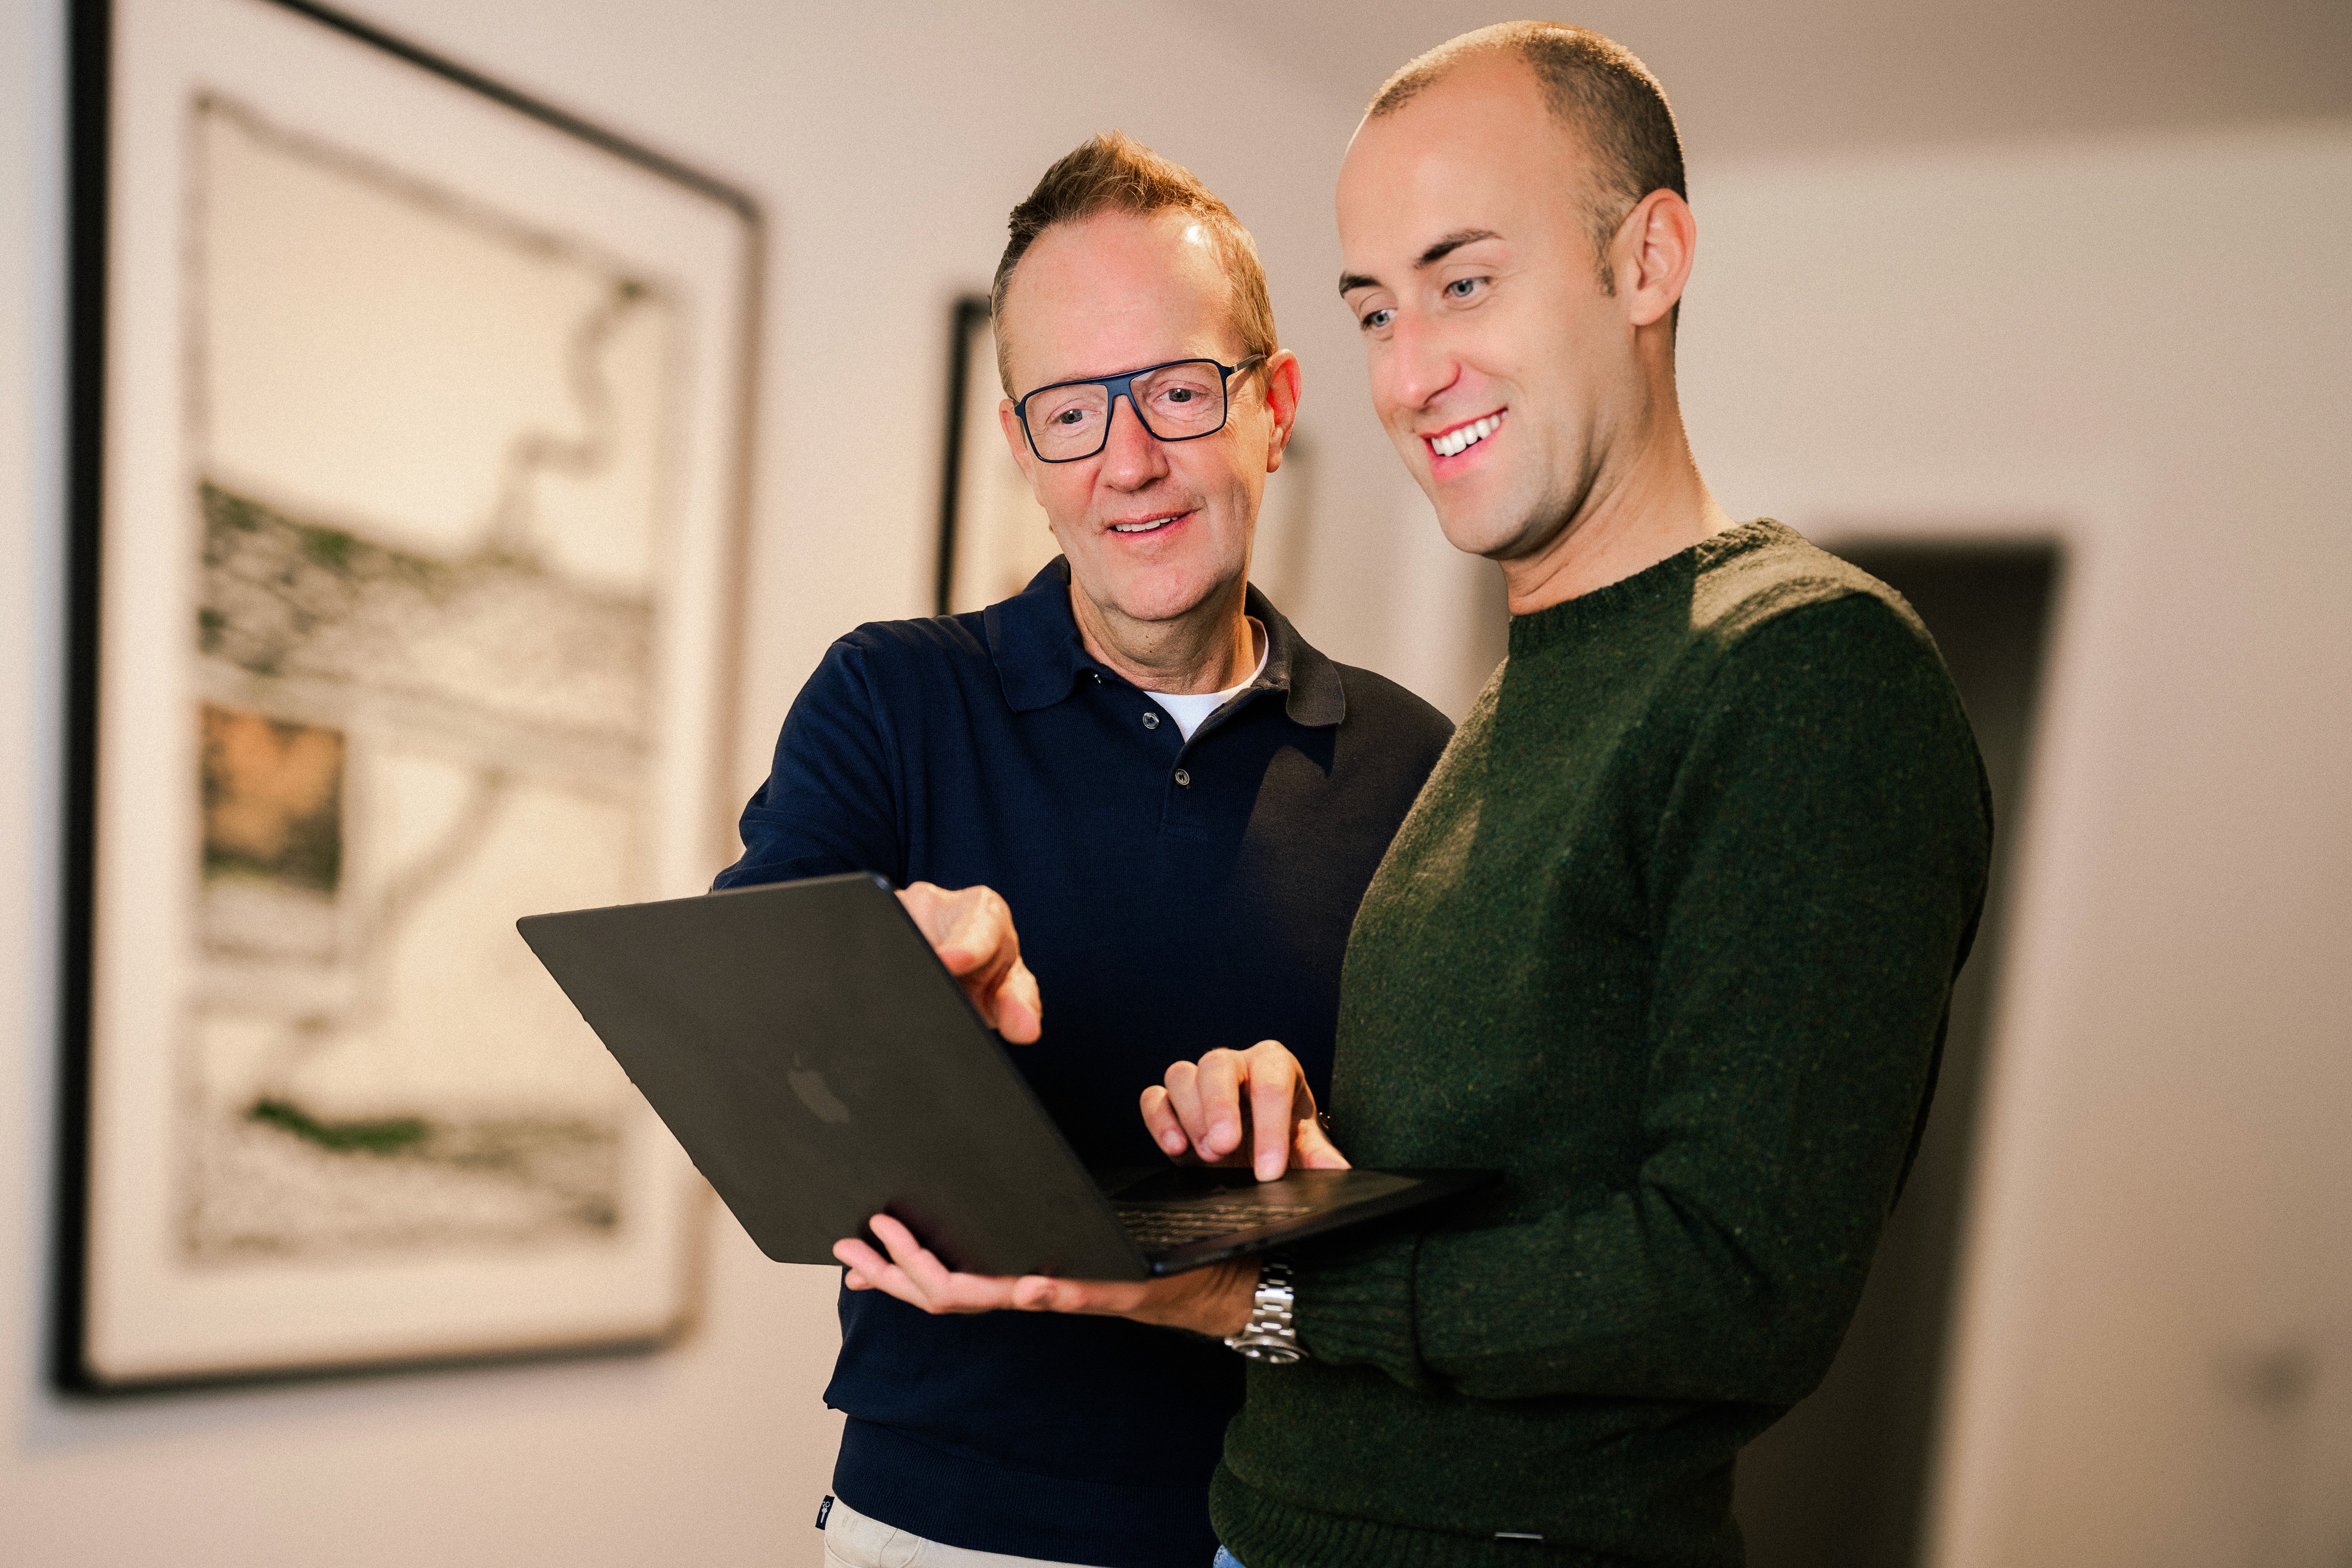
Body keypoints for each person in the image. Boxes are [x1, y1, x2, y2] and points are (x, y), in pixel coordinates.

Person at [834, 24, 1995, 1568]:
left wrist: (1244, 1290)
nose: (1408, 371)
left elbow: (1737, 1285)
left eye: (1464, 282)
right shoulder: (1523, 706)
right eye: (1377, 308)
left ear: (1647, 261)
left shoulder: (1801, 665)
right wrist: (1290, 1143)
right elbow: (1513, 1162)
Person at [716, 131, 1452, 1568]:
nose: (1128, 461)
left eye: (1176, 390)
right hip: (945, 1526)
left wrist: (1302, 1145)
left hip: (1296, 1523)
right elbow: (747, 1050)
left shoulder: (1420, 768)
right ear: (1020, 449)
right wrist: (889, 972)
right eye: (1069, 409)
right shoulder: (889, 697)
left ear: (1273, 406)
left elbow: (1447, 1218)